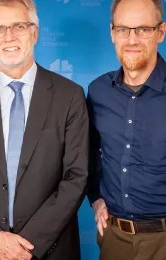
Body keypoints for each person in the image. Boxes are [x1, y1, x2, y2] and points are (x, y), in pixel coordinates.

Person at [0, 0, 89, 259]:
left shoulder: (69, 96)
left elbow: (76, 178)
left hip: (49, 250)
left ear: (35, 32)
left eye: (19, 26)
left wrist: (22, 247)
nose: (9, 36)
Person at [87, 0, 166, 259]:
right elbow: (87, 152)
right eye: (123, 29)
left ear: (161, 32)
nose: (132, 39)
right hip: (114, 239)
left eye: (143, 29)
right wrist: (95, 196)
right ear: (112, 33)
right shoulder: (98, 91)